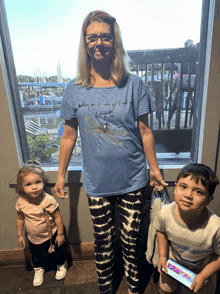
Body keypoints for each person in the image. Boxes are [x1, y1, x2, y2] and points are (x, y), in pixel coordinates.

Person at [54, 10, 167, 294]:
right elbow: (68, 136)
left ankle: (133, 286)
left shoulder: (134, 85)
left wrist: (154, 170)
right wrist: (60, 175)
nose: (99, 43)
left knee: (131, 238)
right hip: (97, 181)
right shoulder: (74, 90)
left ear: (115, 42)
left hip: (132, 179)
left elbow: (145, 132)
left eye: (106, 36)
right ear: (85, 43)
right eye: (92, 37)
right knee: (103, 240)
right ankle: (105, 286)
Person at [154, 163, 220, 294]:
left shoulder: (215, 227)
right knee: (166, 289)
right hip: (173, 262)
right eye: (183, 186)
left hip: (201, 269)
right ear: (175, 189)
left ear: (208, 200)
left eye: (198, 191)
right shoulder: (165, 213)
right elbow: (160, 231)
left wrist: (204, 275)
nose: (188, 195)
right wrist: (162, 256)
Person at [16, 160, 68, 287]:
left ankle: (61, 264)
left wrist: (60, 234)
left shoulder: (48, 200)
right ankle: (38, 269)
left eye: (38, 182)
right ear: (21, 186)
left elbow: (57, 217)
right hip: (33, 238)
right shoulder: (21, 202)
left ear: (43, 182)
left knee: (57, 252)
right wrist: (19, 235)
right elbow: (20, 219)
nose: (34, 187)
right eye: (28, 184)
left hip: (51, 235)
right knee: (36, 255)